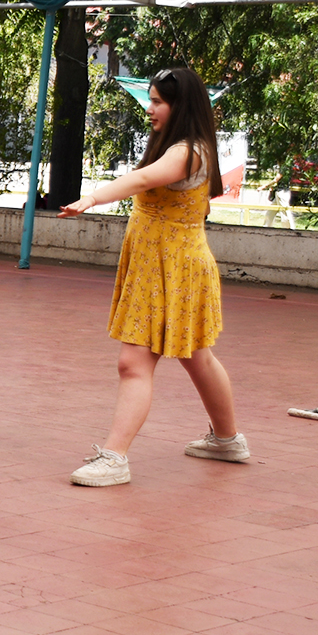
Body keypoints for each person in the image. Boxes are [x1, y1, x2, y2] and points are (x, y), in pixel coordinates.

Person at [61, 67, 247, 487]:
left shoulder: (188, 151)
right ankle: (227, 440)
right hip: (166, 266)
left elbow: (143, 179)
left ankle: (115, 457)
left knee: (134, 363)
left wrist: (91, 198)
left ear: (182, 106)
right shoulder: (182, 146)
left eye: (158, 102)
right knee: (197, 357)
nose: (150, 108)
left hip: (174, 268)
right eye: (151, 100)